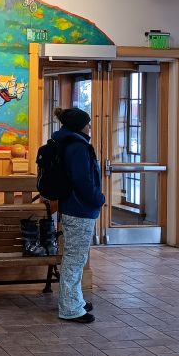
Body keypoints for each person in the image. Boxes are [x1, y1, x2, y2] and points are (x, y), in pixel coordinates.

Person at [51, 107, 105, 324]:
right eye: (87, 123)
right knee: (74, 259)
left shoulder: (68, 143)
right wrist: (98, 198)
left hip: (74, 207)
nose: (89, 126)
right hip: (80, 208)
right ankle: (70, 308)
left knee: (76, 258)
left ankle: (75, 299)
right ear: (79, 125)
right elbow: (83, 181)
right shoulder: (77, 147)